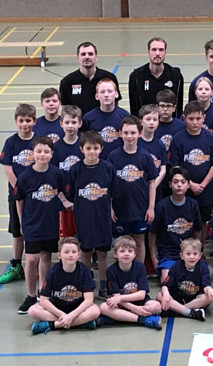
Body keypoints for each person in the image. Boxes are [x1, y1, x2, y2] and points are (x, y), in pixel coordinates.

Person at [14, 137, 73, 314]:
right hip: (32, 224)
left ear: (51, 154)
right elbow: (19, 201)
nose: (42, 155)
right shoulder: (25, 177)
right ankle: (30, 295)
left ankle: (43, 293)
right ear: (33, 153)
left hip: (51, 223)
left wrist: (65, 202)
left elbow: (60, 191)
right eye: (39, 151)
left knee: (46, 257)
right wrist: (22, 222)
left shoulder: (57, 174)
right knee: (32, 259)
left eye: (46, 152)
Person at [107, 115, 163, 267]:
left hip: (140, 207)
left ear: (139, 133)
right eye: (126, 133)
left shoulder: (145, 157)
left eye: (132, 133)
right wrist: (110, 207)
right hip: (120, 207)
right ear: (120, 134)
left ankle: (138, 272)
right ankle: (122, 273)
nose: (129, 136)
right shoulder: (113, 156)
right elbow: (109, 185)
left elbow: (152, 183)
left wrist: (151, 208)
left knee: (139, 240)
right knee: (120, 242)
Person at [69, 131, 116, 297]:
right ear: (81, 149)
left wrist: (111, 210)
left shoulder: (108, 168)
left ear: (101, 149)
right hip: (84, 218)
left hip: (102, 217)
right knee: (86, 252)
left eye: (95, 148)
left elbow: (113, 192)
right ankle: (87, 285)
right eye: (88, 148)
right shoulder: (75, 170)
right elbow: (71, 194)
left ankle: (104, 286)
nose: (92, 151)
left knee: (103, 253)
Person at [0, 104, 36, 286]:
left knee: (37, 229)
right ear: (16, 122)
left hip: (38, 195)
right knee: (17, 230)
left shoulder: (39, 142)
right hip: (17, 195)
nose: (25, 124)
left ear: (34, 121)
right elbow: (8, 168)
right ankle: (16, 265)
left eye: (28, 120)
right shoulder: (11, 142)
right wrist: (19, 190)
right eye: (21, 121)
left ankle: (36, 263)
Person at [29, 237, 100, 334]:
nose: (70, 255)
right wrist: (62, 315)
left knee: (95, 311)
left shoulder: (84, 271)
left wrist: (71, 316)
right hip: (57, 308)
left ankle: (52, 325)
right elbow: (43, 300)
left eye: (74, 252)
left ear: (78, 255)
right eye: (66, 252)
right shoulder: (53, 271)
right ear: (59, 255)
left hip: (77, 309)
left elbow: (88, 300)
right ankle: (81, 323)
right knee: (32, 311)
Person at [171, 101, 213, 223]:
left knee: (202, 221)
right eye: (191, 119)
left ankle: (200, 242)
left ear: (204, 118)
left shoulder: (210, 138)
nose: (195, 122)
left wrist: (203, 185)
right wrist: (190, 184)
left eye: (198, 118)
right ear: (184, 118)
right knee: (185, 220)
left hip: (205, 189)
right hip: (184, 189)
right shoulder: (177, 139)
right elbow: (175, 166)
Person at [98, 236, 163, 329]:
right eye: (122, 251)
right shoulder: (110, 271)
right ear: (115, 254)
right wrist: (135, 309)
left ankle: (119, 318)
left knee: (156, 306)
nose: (126, 254)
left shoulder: (140, 267)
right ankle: (142, 319)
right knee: (104, 307)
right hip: (122, 304)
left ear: (135, 254)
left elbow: (141, 294)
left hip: (140, 302)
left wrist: (122, 299)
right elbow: (116, 297)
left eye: (130, 251)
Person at [153, 167, 203, 279]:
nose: (179, 185)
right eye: (175, 182)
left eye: (183, 182)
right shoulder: (162, 206)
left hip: (189, 252)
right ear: (170, 184)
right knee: (167, 281)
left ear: (188, 185)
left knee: (196, 280)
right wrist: (153, 257)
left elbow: (198, 230)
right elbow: (153, 233)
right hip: (168, 253)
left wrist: (197, 251)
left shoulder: (193, 204)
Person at [157, 238, 213, 320]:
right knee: (160, 296)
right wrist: (166, 294)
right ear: (181, 256)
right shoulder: (176, 267)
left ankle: (177, 311)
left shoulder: (203, 267)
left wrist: (209, 290)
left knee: (209, 297)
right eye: (188, 254)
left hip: (194, 300)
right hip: (177, 298)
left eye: (195, 254)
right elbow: (165, 285)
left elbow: (206, 285)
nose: (192, 257)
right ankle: (190, 312)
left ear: (200, 256)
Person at [129, 36, 185, 116]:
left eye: (161, 50)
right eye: (154, 50)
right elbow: (134, 109)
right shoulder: (136, 77)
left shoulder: (176, 76)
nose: (157, 53)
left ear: (165, 52)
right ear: (148, 52)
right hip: (147, 125)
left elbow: (178, 107)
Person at [59, 41, 120, 115]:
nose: (87, 57)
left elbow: (115, 105)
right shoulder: (67, 82)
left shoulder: (109, 78)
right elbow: (65, 110)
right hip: (79, 125)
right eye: (83, 54)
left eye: (90, 54)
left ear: (96, 57)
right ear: (78, 58)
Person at [52, 105, 84, 238]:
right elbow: (53, 179)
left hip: (83, 199)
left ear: (80, 123)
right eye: (67, 122)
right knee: (67, 238)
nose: (70, 126)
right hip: (63, 202)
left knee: (84, 237)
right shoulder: (56, 148)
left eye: (74, 122)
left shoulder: (85, 145)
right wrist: (64, 200)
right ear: (61, 124)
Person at [83, 79, 128, 147]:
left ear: (116, 94)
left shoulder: (125, 116)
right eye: (102, 92)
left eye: (110, 91)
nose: (106, 95)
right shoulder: (88, 118)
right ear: (96, 96)